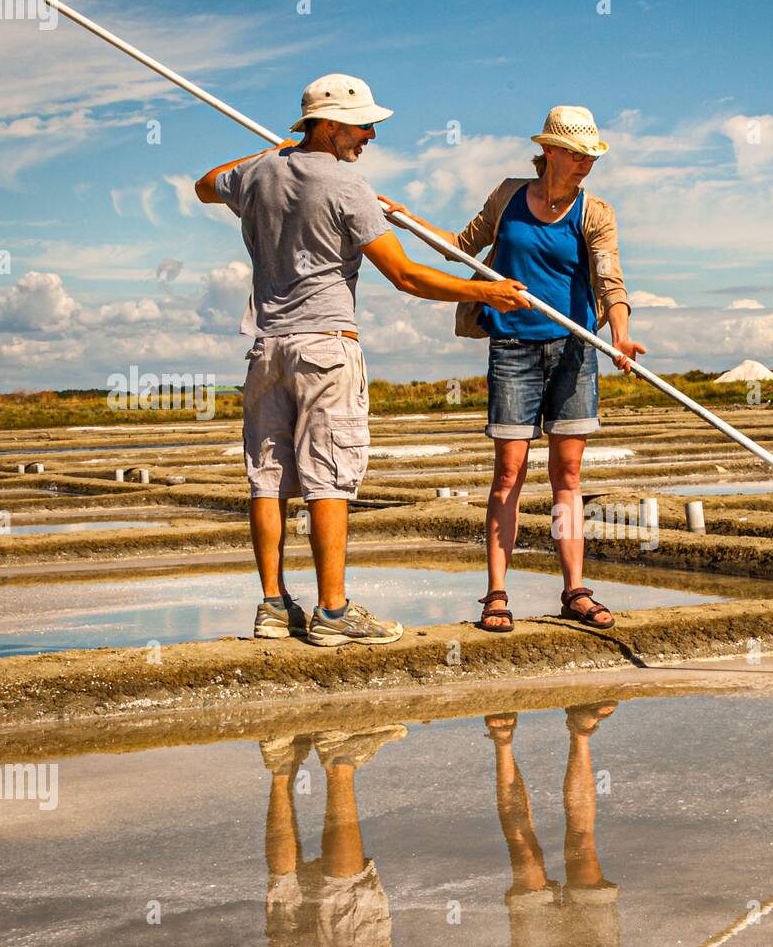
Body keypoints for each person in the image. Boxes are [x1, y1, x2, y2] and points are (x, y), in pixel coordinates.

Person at [195, 74, 529, 646]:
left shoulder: (258, 175)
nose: (371, 134)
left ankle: (273, 606)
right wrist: (486, 291)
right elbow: (405, 277)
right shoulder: (349, 187)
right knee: (329, 477)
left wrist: (274, 151)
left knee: (267, 480)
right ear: (327, 124)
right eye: (361, 125)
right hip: (327, 346)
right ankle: (332, 611)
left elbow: (204, 185)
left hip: (267, 348)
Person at [381, 106, 645, 633]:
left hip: (574, 351)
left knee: (568, 477)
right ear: (548, 150)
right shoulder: (508, 196)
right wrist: (405, 218)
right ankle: (497, 594)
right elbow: (461, 247)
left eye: (591, 155)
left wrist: (619, 336)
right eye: (575, 153)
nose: (585, 163)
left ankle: (575, 590)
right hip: (513, 349)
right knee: (508, 474)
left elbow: (609, 281)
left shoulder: (597, 212)